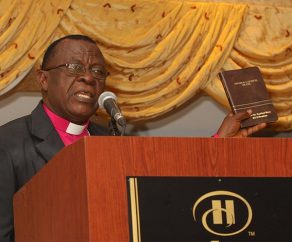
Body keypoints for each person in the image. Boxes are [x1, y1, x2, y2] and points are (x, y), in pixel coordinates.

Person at [0, 35, 266, 242]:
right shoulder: (8, 143)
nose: (88, 77)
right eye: (74, 67)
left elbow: (164, 188)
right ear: (43, 79)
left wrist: (220, 141)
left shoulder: (112, 140)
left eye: (98, 71)